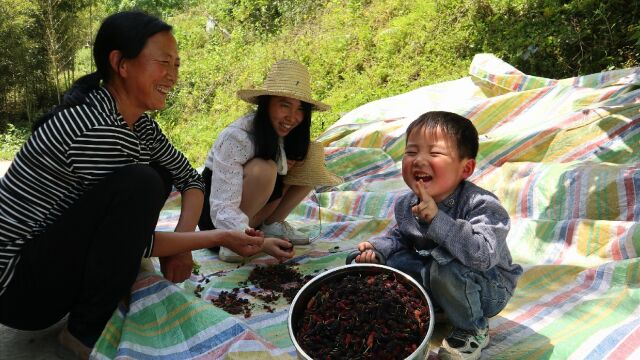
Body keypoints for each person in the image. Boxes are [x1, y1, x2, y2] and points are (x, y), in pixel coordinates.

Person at [0, 11, 265, 360]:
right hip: (18, 289)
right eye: (163, 62)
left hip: (49, 264)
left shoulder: (137, 123)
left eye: (177, 64)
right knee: (140, 182)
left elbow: (190, 178)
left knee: (156, 173)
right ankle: (84, 331)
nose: (173, 75)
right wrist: (219, 236)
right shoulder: (95, 128)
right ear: (120, 63)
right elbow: (137, 243)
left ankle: (107, 293)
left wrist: (181, 246)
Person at [354, 111, 523, 360]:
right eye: (411, 152)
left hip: (487, 287)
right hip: (435, 276)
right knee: (391, 263)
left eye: (434, 153)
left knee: (446, 268)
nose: (419, 160)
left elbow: (482, 256)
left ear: (465, 168)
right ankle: (437, 307)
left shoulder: (482, 205)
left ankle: (472, 328)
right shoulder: (407, 204)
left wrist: (437, 220)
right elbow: (401, 237)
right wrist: (377, 249)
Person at [199, 59, 341, 262]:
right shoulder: (237, 137)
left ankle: (271, 225)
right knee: (264, 169)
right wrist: (249, 240)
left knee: (311, 158)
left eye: (300, 109)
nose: (292, 117)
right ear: (266, 105)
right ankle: (236, 243)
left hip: (254, 214)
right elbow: (222, 207)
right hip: (218, 223)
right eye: (285, 105)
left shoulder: (287, 134)